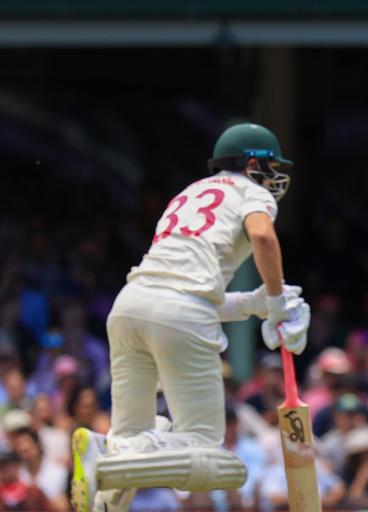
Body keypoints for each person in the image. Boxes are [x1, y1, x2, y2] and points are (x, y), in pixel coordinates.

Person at [70, 123, 311, 512]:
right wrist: (276, 297)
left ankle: (109, 464)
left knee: (131, 436)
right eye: (272, 166)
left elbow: (186, 293)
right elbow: (263, 238)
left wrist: (254, 304)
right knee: (213, 457)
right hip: (178, 313)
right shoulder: (251, 191)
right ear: (252, 163)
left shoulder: (187, 193)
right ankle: (110, 456)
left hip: (129, 306)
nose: (277, 177)